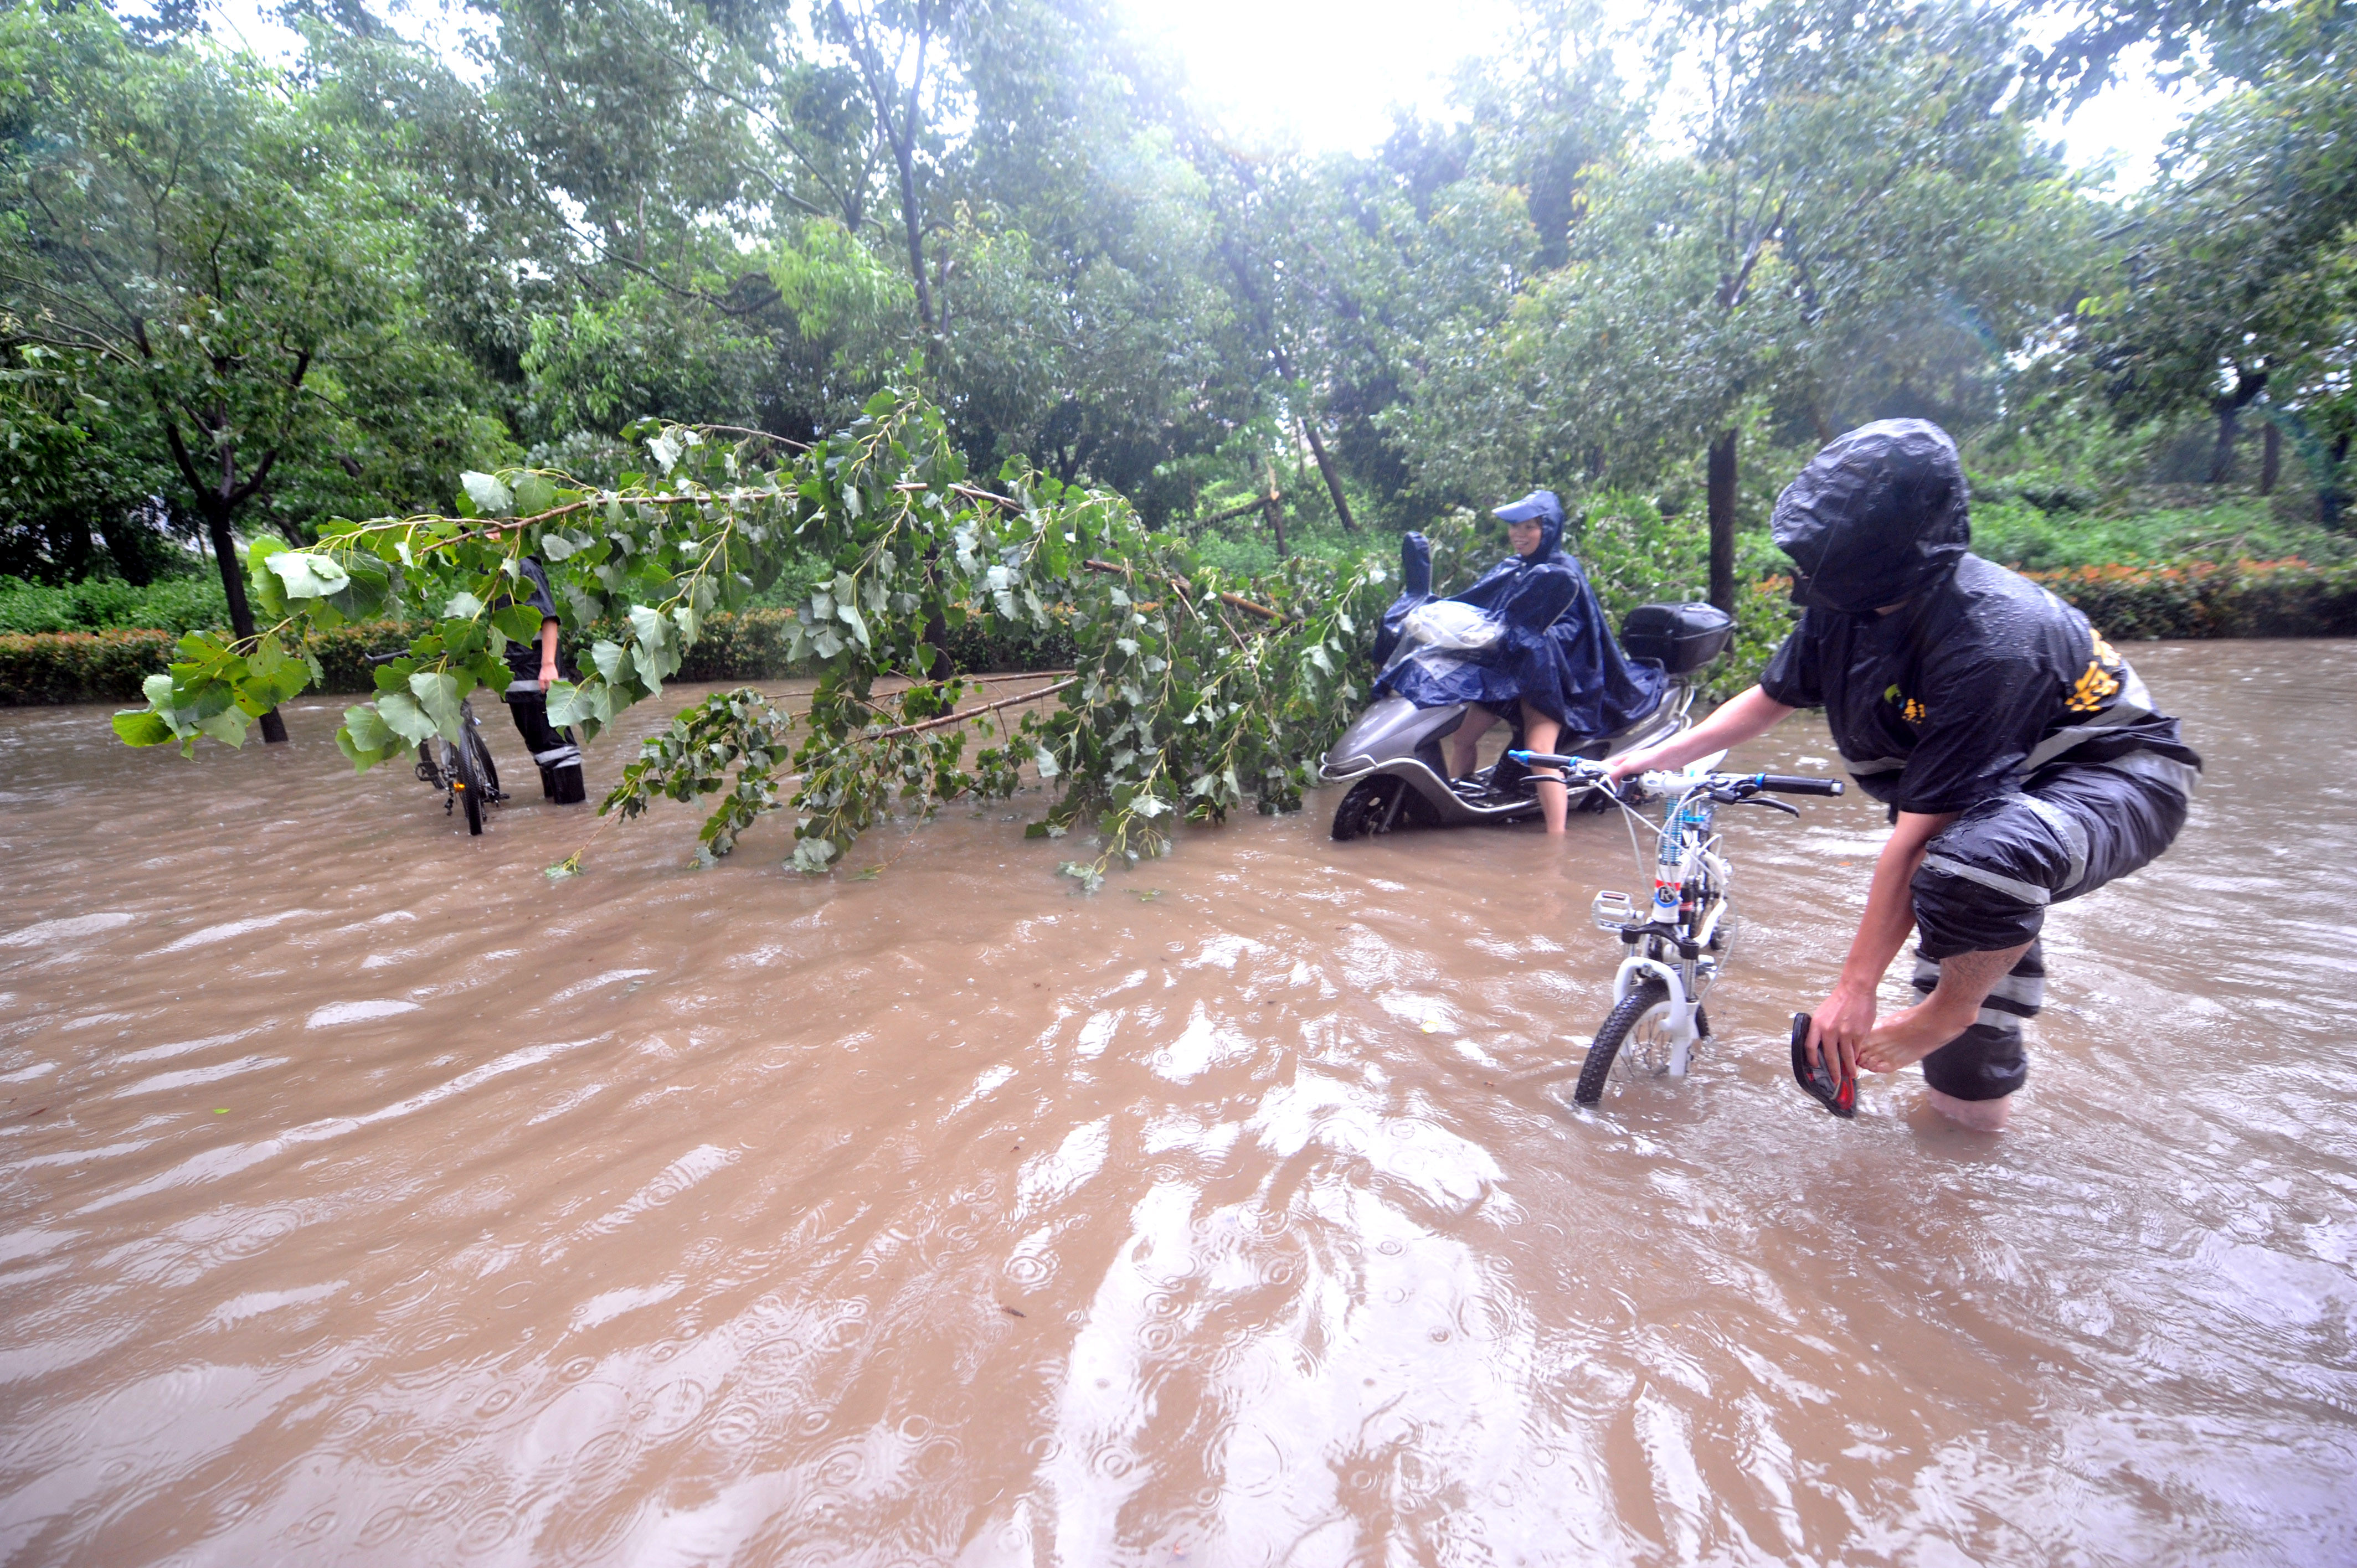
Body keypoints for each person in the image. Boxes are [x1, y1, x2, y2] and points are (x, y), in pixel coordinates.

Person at [1605, 420, 2199, 1131]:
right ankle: (1963, 1139)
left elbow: (1920, 841)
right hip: (1996, 801)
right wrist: (1652, 756)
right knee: (1961, 926)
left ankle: (1945, 1013)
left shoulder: (1989, 637)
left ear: (1884, 553)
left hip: (2111, 778)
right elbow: (1772, 698)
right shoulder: (1846, 606)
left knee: (1966, 872)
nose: (1806, 570)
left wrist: (1854, 990)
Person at [1373, 490, 1666, 833]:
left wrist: (1530, 640)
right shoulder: (1512, 568)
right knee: (1464, 737)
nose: (1519, 535)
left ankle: (1556, 844)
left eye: (1529, 527)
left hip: (1553, 679)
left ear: (1550, 529)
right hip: (1507, 672)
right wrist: (1426, 608)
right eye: (1515, 527)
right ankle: (1462, 801)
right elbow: (1474, 608)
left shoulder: (1563, 571)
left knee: (1540, 752)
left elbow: (1577, 632)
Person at [493, 555, 588, 805]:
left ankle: (573, 814)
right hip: (516, 676)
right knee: (539, 744)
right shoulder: (490, 568)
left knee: (556, 743)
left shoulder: (523, 566)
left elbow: (548, 618)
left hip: (538, 673)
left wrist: (548, 665)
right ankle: (557, 813)